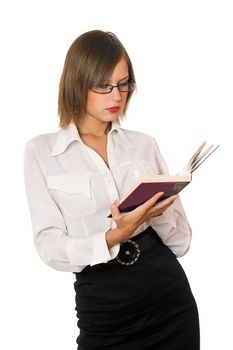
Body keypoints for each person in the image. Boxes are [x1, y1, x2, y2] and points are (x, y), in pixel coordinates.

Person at [24, 30, 200, 350]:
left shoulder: (144, 145)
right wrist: (113, 237)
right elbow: (49, 245)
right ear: (78, 83)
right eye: (104, 85)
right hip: (104, 312)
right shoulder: (41, 153)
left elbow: (181, 242)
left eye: (123, 83)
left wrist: (159, 209)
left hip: (170, 303)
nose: (116, 96)